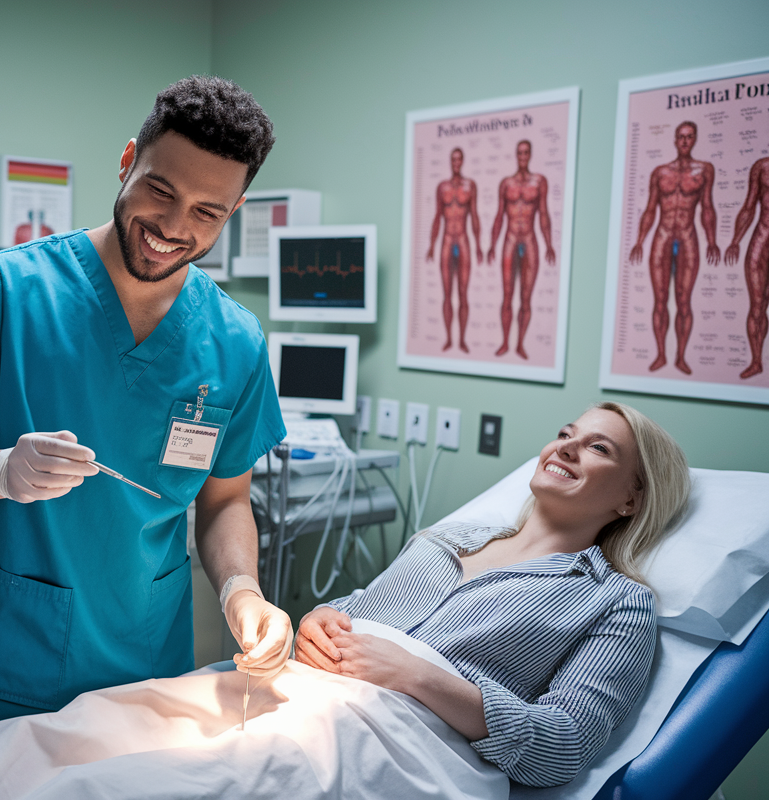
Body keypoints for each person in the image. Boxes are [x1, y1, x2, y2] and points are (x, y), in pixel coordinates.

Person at [0, 76, 292, 737]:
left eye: (206, 213)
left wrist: (241, 589)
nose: (172, 226)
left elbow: (224, 499)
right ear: (129, 160)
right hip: (9, 659)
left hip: (149, 662)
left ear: (234, 209)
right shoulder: (7, 292)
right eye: (161, 190)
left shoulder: (234, 341)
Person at [294, 401, 691, 787]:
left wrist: (416, 674)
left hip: (389, 746)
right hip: (299, 695)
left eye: (598, 447)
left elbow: (564, 745)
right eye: (565, 434)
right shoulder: (444, 538)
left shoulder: (616, 601)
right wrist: (318, 619)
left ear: (631, 499)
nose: (565, 447)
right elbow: (358, 605)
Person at [628, 121, 721, 375]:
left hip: (688, 235)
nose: (684, 141)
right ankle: (660, 354)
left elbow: (708, 208)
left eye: (689, 137)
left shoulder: (704, 170)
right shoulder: (660, 172)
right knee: (660, 300)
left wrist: (712, 240)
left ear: (695, 139)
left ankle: (680, 356)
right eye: (681, 137)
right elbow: (650, 208)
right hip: (662, 235)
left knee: (684, 300)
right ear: (674, 139)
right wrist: (639, 240)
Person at [487, 140, 556, 359]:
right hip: (509, 239)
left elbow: (544, 214)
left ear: (531, 154)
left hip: (529, 239)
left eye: (526, 152)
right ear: (516, 155)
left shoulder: (539, 182)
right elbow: (499, 216)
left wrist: (549, 244)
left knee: (526, 297)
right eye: (520, 153)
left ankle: (520, 344)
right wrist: (491, 244)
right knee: (507, 296)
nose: (523, 156)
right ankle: (506, 342)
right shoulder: (506, 183)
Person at [426, 147, 483, 353]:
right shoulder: (442, 187)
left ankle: (462, 340)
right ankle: (449, 338)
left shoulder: (470, 186)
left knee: (463, 294)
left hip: (464, 240)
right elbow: (437, 217)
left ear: (463, 161)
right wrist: (432, 245)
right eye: (453, 159)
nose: (456, 163)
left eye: (459, 159)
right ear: (450, 162)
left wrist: (478, 245)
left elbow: (475, 215)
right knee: (447, 293)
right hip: (447, 240)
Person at [724, 155, 769, 379]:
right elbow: (749, 207)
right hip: (762, 239)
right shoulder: (762, 167)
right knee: (757, 305)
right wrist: (735, 241)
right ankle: (756, 361)